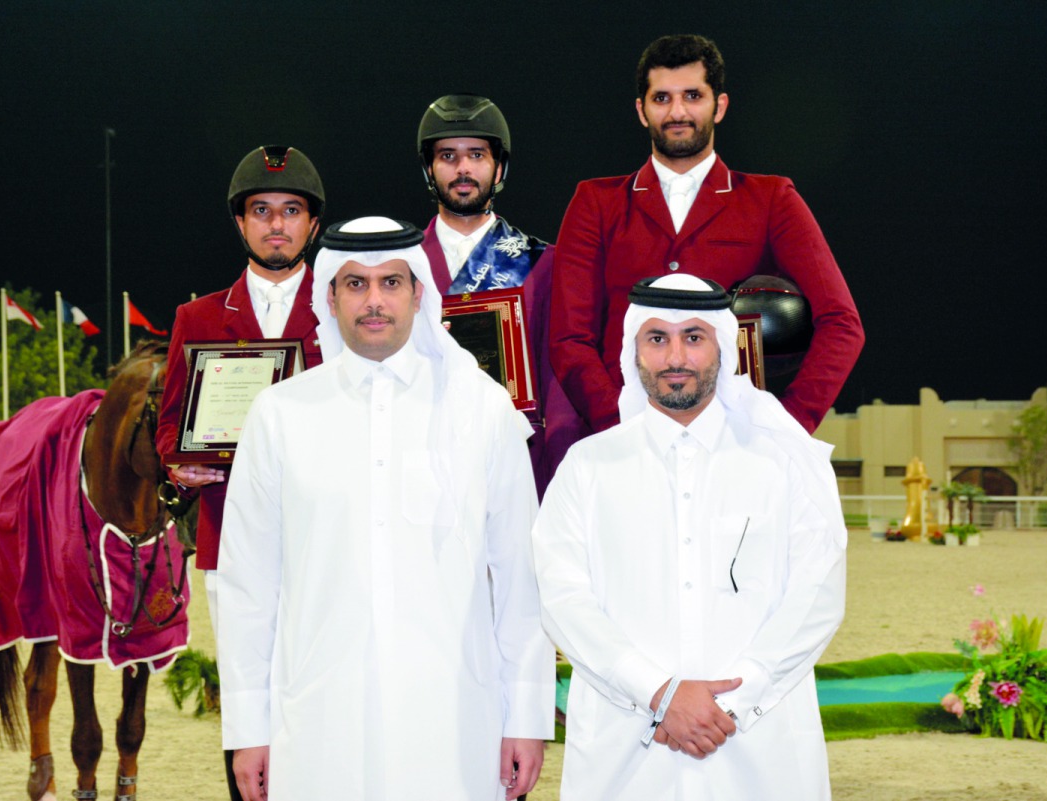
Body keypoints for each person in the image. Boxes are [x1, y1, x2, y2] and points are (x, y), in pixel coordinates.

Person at [217, 217, 555, 801]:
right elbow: (247, 586)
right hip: (320, 723)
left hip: (454, 724)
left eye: (391, 283)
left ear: (419, 292)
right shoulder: (280, 414)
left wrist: (525, 717)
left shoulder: (482, 408)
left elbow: (521, 580)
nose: (374, 301)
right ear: (330, 296)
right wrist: (247, 730)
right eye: (355, 284)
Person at [533, 274, 847, 800]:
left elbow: (817, 595)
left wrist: (730, 703)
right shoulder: (588, 466)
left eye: (694, 337)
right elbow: (562, 597)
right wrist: (659, 694)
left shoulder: (786, 463)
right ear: (634, 350)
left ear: (722, 346)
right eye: (657, 338)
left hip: (758, 747)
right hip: (627, 749)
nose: (675, 356)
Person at [550, 34, 863, 439]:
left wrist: (787, 425)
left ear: (720, 105)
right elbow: (569, 338)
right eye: (661, 98)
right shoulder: (596, 202)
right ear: (641, 111)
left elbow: (842, 323)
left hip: (735, 443)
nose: (677, 111)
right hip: (625, 438)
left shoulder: (771, 199)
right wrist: (618, 425)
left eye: (693, 95)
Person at [153, 144, 325, 801]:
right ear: (240, 222)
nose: (276, 224)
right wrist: (181, 462)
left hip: (327, 538)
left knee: (322, 690)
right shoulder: (196, 319)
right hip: (234, 540)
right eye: (261, 211)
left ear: (312, 224)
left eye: (290, 210)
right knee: (249, 695)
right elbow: (171, 426)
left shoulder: (347, 308)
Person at [417, 93, 579, 493]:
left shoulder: (544, 264)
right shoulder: (400, 270)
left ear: (499, 165)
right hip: (422, 466)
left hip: (518, 464)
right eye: (448, 156)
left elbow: (560, 384)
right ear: (429, 168)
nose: (463, 169)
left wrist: (557, 474)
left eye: (476, 154)